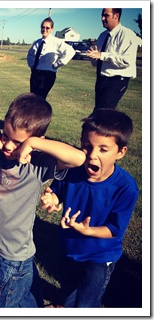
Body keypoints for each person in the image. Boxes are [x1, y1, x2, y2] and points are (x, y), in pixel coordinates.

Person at [0, 93, 86, 308]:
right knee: (25, 300)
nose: (8, 146)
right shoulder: (0, 146)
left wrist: (32, 143)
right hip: (3, 250)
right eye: (6, 136)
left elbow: (78, 158)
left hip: (12, 257)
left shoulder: (37, 164)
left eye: (17, 142)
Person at [40, 109, 139, 308]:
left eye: (103, 149)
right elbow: (58, 191)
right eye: (87, 146)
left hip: (100, 257)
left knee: (87, 301)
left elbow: (114, 229)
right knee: (68, 286)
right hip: (69, 247)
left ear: (121, 152)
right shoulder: (73, 171)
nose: (92, 155)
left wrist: (88, 230)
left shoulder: (125, 187)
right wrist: (52, 198)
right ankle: (64, 306)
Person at [87, 8, 140, 110]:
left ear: (116, 16)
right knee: (99, 110)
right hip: (101, 79)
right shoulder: (102, 36)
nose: (102, 18)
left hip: (116, 80)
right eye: (102, 15)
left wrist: (102, 55)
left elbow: (127, 60)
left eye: (106, 15)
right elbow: (95, 62)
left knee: (103, 112)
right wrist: (93, 56)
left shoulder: (127, 35)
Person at [27, 17, 75, 100]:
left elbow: (71, 51)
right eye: (43, 27)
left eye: (47, 28)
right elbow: (30, 54)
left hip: (47, 75)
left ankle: (41, 113)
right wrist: (32, 65)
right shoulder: (37, 42)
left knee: (39, 99)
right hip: (35, 74)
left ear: (52, 29)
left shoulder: (56, 42)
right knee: (32, 98)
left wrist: (57, 64)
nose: (44, 29)